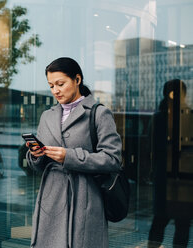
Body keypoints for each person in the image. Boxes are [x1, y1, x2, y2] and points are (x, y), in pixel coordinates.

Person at [26, 57, 122, 248]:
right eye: (51, 85)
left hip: (85, 198)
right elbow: (37, 165)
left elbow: (112, 159)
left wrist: (68, 156)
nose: (55, 91)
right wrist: (35, 156)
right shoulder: (47, 116)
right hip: (50, 199)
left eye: (61, 84)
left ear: (77, 80)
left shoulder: (99, 113)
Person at [148, 79, 192, 248]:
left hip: (168, 176)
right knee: (180, 223)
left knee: (162, 220)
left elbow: (149, 148)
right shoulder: (186, 115)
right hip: (181, 177)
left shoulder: (159, 117)